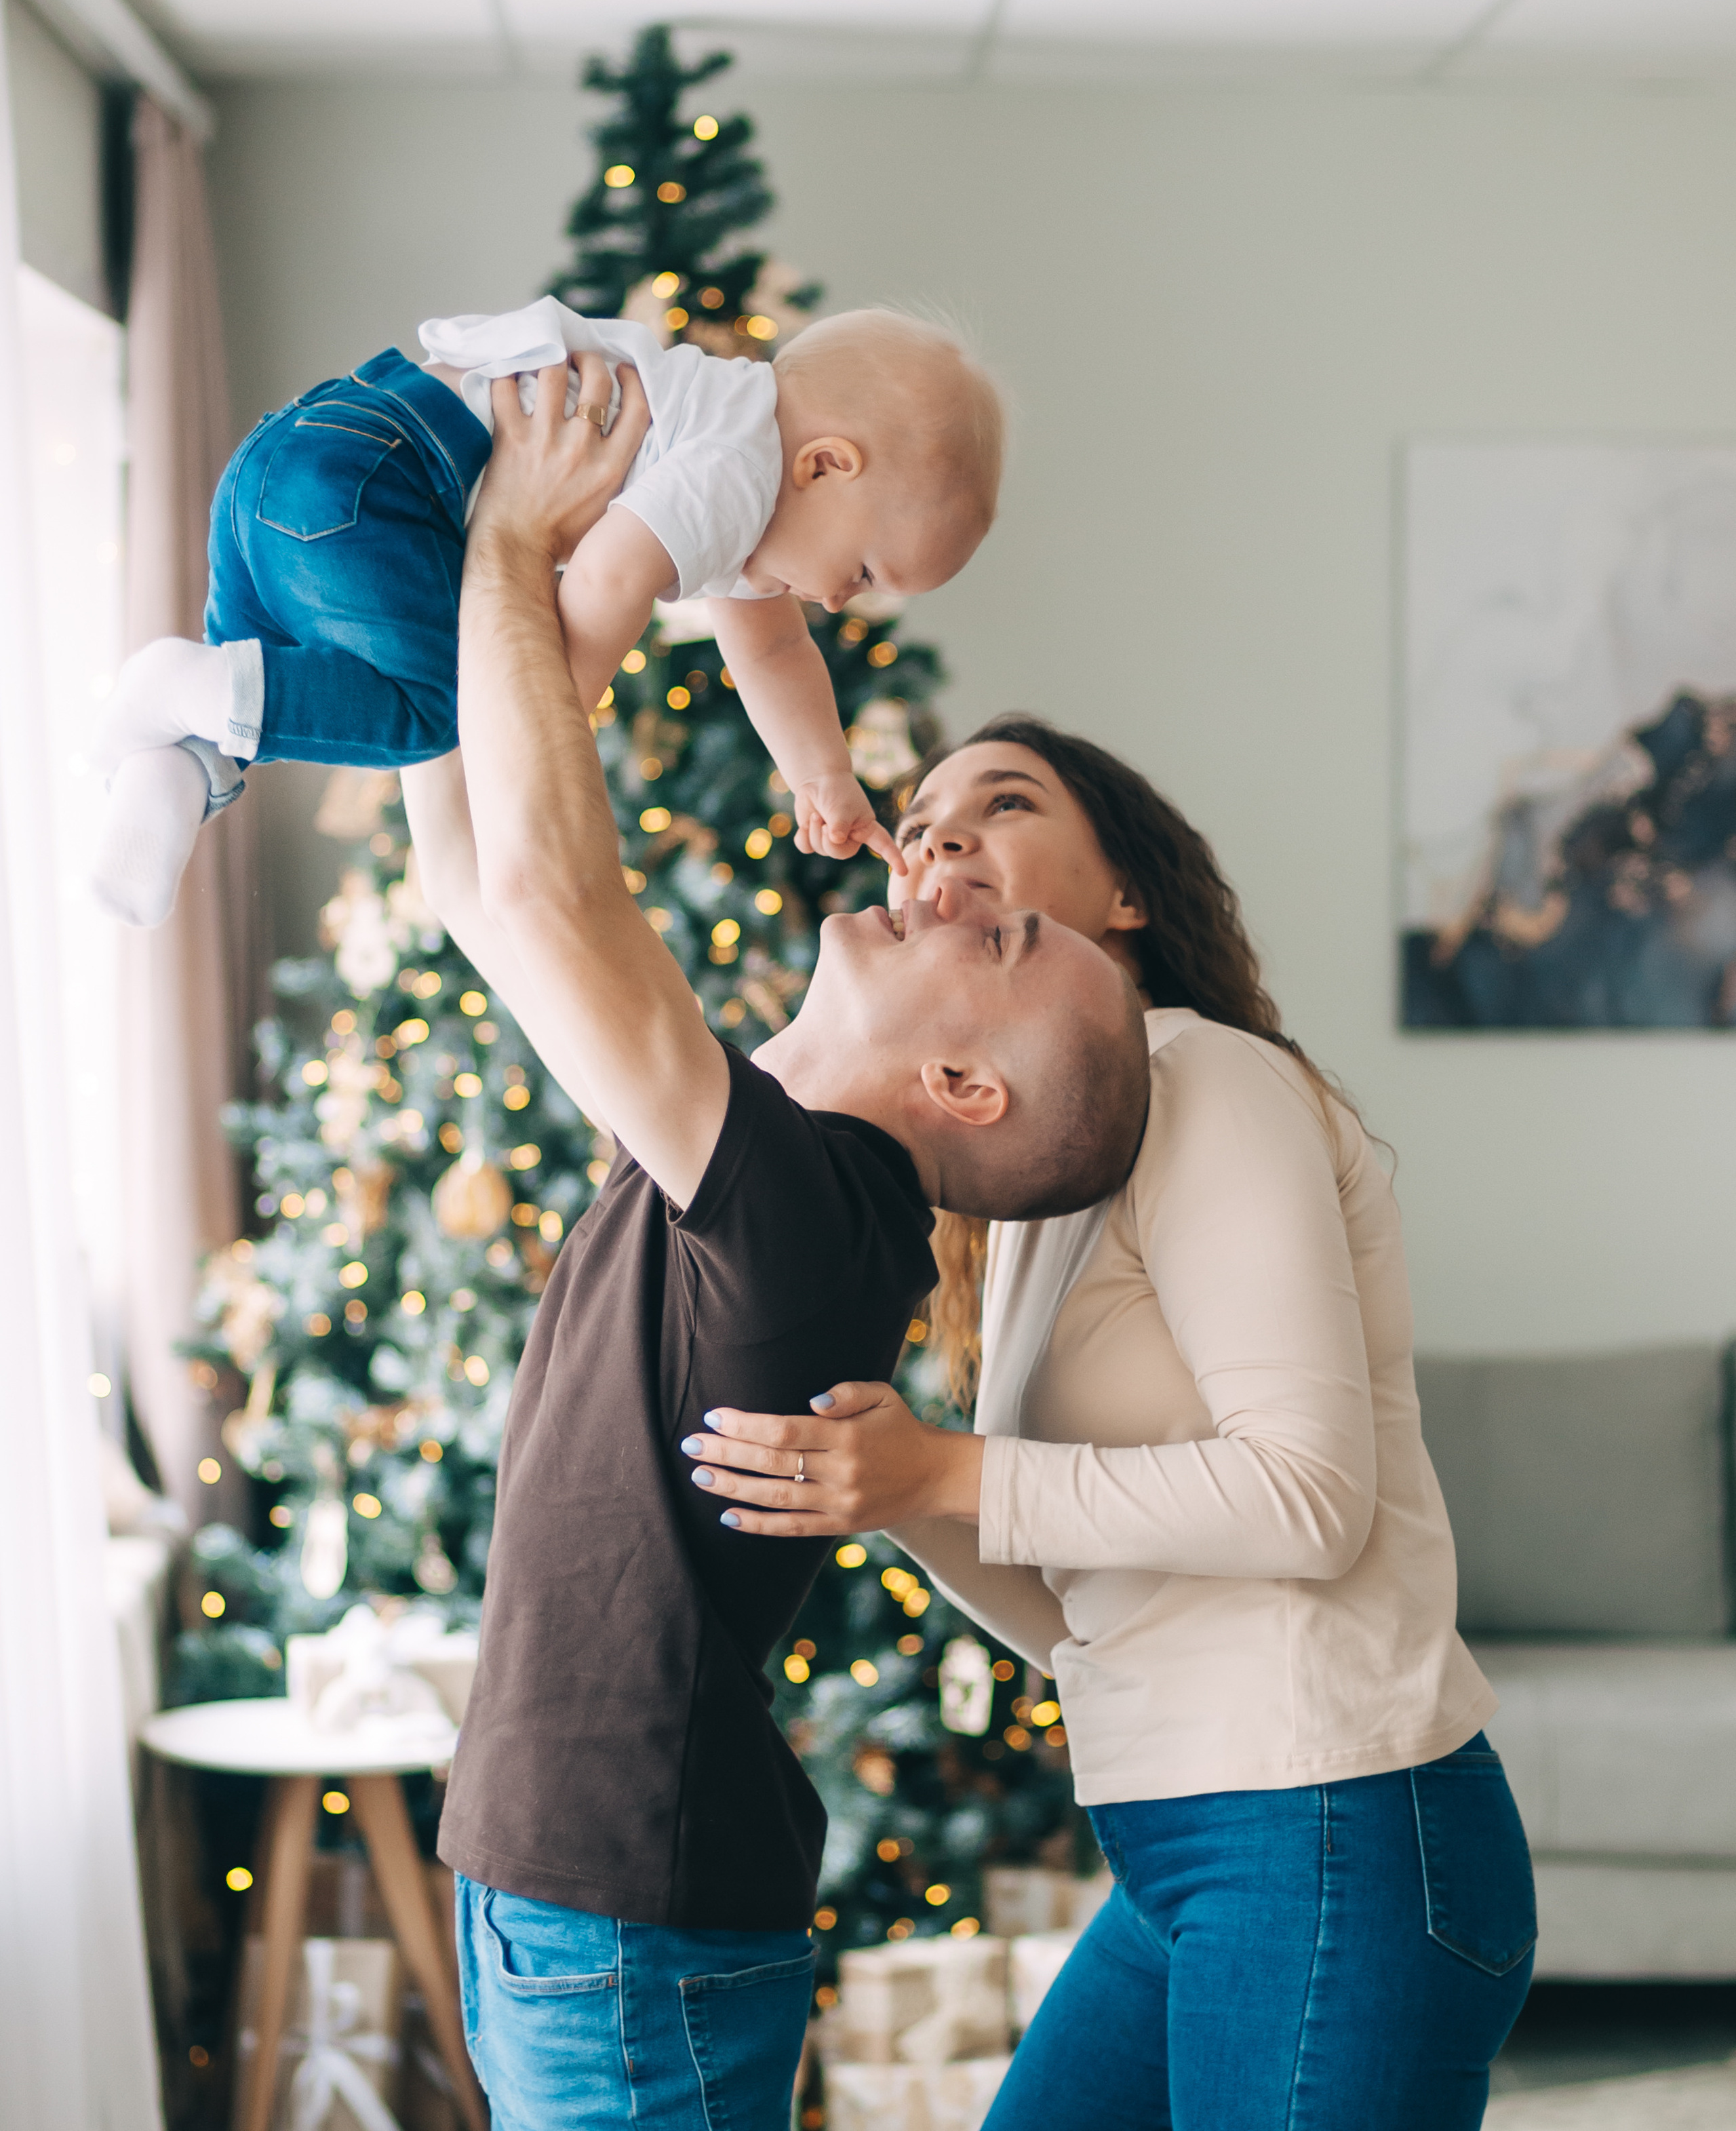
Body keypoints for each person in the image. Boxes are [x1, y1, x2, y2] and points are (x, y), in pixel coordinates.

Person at [401, 377, 1150, 2131]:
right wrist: (438, 584)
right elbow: (469, 879)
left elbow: (544, 900)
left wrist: (518, 545)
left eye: (1009, 933)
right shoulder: (763, 1166)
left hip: (621, 1919)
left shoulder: (807, 1217)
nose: (950, 872)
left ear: (961, 1082)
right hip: (582, 1893)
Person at [682, 716, 1539, 2131]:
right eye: (918, 819)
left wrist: (947, 1464)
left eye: (999, 803)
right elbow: (1091, 1611)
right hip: (1191, 1840)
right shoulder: (1029, 1187)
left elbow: (1306, 1494)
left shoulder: (1204, 1077)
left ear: (1125, 896)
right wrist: (901, 1493)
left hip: (1330, 1822)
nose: (935, 835)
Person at [92, 298, 1000, 925]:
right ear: (827, 464)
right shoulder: (740, 465)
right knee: (429, 709)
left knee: (273, 671)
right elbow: (605, 581)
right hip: (389, 478)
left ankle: (178, 767)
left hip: (314, 446)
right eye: (866, 570)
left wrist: (823, 775)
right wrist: (538, 724)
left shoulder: (738, 465)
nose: (844, 601)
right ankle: (177, 688)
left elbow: (770, 650)